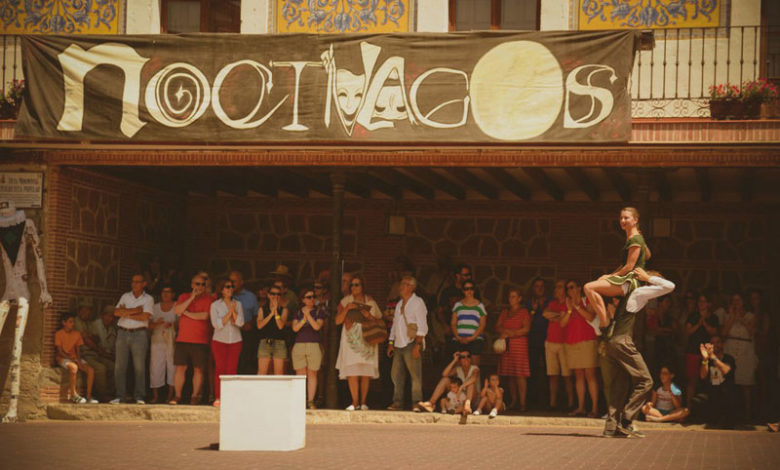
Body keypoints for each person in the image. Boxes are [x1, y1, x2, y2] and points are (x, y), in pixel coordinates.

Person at [600, 268, 674, 438]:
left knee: (620, 385)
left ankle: (611, 428)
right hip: (622, 342)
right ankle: (627, 420)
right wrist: (649, 278)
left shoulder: (631, 293)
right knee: (646, 381)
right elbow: (670, 286)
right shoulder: (639, 291)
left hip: (612, 343)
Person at [584, 207, 651, 331]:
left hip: (630, 282)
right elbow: (647, 255)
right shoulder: (635, 238)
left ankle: (605, 322)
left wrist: (610, 276)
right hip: (627, 278)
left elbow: (629, 266)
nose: (623, 220)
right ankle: (608, 321)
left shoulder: (635, 239)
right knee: (597, 284)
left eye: (626, 218)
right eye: (621, 218)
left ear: (635, 220)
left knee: (589, 287)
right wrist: (611, 275)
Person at [335, 274, 382, 410]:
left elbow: (379, 320)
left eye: (357, 284)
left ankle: (363, 403)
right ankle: (354, 403)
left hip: (367, 338)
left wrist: (368, 315)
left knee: (365, 372)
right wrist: (347, 309)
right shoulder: (345, 301)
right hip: (350, 339)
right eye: (352, 285)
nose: (354, 287)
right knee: (352, 371)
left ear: (363, 287)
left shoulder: (370, 302)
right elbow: (337, 321)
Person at [111, 273, 154, 404]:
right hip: (122, 333)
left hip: (139, 334)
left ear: (144, 284)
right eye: (133, 281)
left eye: (137, 282)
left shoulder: (148, 299)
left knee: (139, 366)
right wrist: (135, 310)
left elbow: (145, 317)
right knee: (119, 366)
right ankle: (120, 396)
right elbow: (116, 312)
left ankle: (139, 396)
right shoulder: (125, 296)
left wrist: (126, 313)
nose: (134, 284)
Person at [387, 276, 428, 411]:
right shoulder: (399, 304)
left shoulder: (418, 302)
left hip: (412, 343)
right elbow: (395, 324)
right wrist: (391, 342)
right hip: (399, 344)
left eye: (404, 284)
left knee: (415, 375)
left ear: (411, 287)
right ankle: (397, 402)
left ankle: (417, 402)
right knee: (396, 374)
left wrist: (417, 345)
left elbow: (422, 325)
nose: (400, 287)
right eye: (401, 284)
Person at [172, 274, 213, 405]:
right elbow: (177, 310)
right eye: (197, 284)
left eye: (202, 284)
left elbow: (204, 316)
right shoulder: (183, 297)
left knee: (198, 369)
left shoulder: (209, 299)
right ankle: (177, 396)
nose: (200, 287)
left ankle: (195, 396)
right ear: (192, 285)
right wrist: (191, 299)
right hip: (182, 339)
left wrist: (186, 313)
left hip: (200, 340)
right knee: (180, 368)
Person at [563, 279, 600, 418]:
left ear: (579, 288)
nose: (569, 290)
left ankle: (595, 408)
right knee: (578, 376)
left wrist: (577, 307)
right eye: (568, 288)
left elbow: (591, 317)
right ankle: (581, 408)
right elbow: (562, 323)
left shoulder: (587, 301)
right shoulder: (567, 303)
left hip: (588, 341)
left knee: (590, 375)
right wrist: (569, 309)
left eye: (572, 287)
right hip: (573, 342)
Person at [722, 292, 757, 421]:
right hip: (731, 347)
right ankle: (730, 413)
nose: (736, 303)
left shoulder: (750, 316)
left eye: (738, 300)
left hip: (745, 350)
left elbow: (752, 331)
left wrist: (741, 318)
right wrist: (732, 316)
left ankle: (747, 414)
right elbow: (724, 332)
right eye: (734, 300)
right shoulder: (727, 316)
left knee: (745, 383)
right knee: (731, 382)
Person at [210, 278, 244, 407]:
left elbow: (240, 323)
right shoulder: (215, 305)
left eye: (231, 287)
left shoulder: (238, 304)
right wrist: (230, 312)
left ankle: (230, 396)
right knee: (219, 369)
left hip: (235, 340)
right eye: (227, 287)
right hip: (219, 340)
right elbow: (217, 324)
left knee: (232, 369)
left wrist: (233, 312)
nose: (230, 289)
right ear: (221, 290)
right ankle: (218, 396)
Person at [292, 287, 327, 409]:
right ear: (303, 299)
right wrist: (304, 318)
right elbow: (295, 328)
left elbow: (317, 327)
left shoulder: (319, 312)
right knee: (300, 373)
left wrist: (308, 315)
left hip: (314, 344)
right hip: (300, 344)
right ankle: (300, 400)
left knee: (312, 373)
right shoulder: (297, 312)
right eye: (309, 297)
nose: (312, 299)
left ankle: (311, 400)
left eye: (313, 297)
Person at [496, 288, 531, 411]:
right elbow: (498, 326)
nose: (511, 299)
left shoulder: (524, 312)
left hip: (519, 345)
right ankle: (514, 401)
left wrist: (511, 333)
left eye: (514, 296)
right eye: (510, 296)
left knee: (520, 374)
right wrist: (505, 333)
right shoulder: (505, 312)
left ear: (520, 298)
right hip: (506, 345)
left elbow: (526, 329)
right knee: (510, 374)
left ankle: (523, 403)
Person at [683, 292, 719, 407]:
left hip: (708, 353)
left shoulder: (713, 317)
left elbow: (715, 332)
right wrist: (699, 324)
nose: (701, 304)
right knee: (692, 381)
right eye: (700, 301)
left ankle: (710, 409)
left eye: (704, 301)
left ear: (708, 304)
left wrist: (705, 324)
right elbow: (688, 332)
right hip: (693, 351)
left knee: (710, 380)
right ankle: (689, 408)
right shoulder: (692, 316)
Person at [693, 335, 737, 428]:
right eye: (712, 343)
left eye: (718, 342)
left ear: (722, 344)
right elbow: (702, 376)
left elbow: (726, 371)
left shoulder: (729, 358)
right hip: (712, 393)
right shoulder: (706, 359)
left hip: (726, 394)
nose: (715, 345)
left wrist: (712, 356)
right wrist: (705, 359)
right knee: (697, 401)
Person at [542, 280, 573, 411]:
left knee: (567, 376)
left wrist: (556, 316)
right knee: (552, 375)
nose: (556, 289)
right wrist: (558, 315)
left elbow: (565, 319)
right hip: (550, 342)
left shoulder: (569, 303)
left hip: (564, 343)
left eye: (559, 287)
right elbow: (545, 314)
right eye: (555, 287)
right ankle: (552, 403)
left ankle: (571, 403)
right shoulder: (552, 303)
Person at [55, 313, 98, 404]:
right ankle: (74, 395)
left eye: (73, 322)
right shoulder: (58, 334)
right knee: (74, 368)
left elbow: (78, 350)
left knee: (90, 370)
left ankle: (89, 396)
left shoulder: (77, 334)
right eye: (70, 322)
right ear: (64, 323)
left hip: (75, 358)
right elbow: (60, 352)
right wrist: (72, 360)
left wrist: (78, 360)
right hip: (62, 358)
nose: (73, 324)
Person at [73, 299, 111, 401]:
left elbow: (96, 338)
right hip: (84, 354)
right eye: (84, 310)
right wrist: (98, 350)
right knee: (100, 368)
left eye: (89, 311)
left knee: (112, 366)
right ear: (79, 311)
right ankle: (102, 395)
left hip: (94, 353)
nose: (86, 313)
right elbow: (86, 340)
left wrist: (90, 337)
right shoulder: (76, 321)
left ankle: (112, 392)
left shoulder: (90, 323)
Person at [449, 280, 487, 365]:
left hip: (475, 339)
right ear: (463, 291)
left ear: (474, 290)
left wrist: (471, 338)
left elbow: (482, 325)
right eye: (466, 289)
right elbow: (453, 323)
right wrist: (458, 337)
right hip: (459, 339)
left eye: (471, 288)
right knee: (459, 368)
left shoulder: (480, 306)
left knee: (474, 368)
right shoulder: (458, 305)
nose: (469, 291)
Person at [150, 285, 177, 404]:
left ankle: (170, 395)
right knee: (155, 368)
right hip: (157, 341)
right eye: (163, 292)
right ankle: (156, 396)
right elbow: (148, 325)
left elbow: (181, 324)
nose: (165, 294)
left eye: (168, 291)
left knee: (172, 367)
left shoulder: (177, 306)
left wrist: (171, 324)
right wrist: (157, 323)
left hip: (172, 341)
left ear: (173, 294)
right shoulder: (155, 307)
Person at [526, 277, 550, 409]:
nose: (539, 289)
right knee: (533, 371)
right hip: (533, 340)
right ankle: (532, 401)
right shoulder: (529, 303)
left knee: (548, 372)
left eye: (542, 286)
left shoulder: (550, 301)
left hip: (548, 339)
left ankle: (547, 402)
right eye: (537, 286)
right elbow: (526, 320)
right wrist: (534, 310)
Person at [229, 271, 259, 375]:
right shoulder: (225, 295)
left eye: (234, 281)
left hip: (246, 332)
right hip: (229, 332)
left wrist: (251, 324)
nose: (232, 284)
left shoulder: (250, 296)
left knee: (245, 359)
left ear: (241, 282)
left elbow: (256, 314)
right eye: (230, 281)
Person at [257, 283, 289, 375]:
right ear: (268, 295)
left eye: (278, 294)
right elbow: (259, 325)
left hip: (279, 343)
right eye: (273, 294)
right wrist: (271, 314)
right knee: (262, 372)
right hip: (265, 342)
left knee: (279, 373)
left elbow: (280, 326)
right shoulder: (262, 309)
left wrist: (275, 313)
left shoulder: (284, 310)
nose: (276, 296)